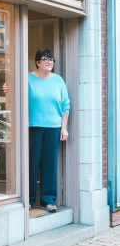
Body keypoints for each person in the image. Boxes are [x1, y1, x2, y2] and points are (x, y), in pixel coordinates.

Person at [29, 49, 70, 213]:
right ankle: (29, 199)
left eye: (51, 60)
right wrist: (6, 88)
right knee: (32, 164)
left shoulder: (58, 80)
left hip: (53, 127)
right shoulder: (27, 78)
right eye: (45, 59)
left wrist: (64, 127)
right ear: (38, 62)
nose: (48, 62)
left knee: (49, 164)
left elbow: (65, 105)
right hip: (32, 127)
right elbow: (14, 94)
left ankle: (48, 200)